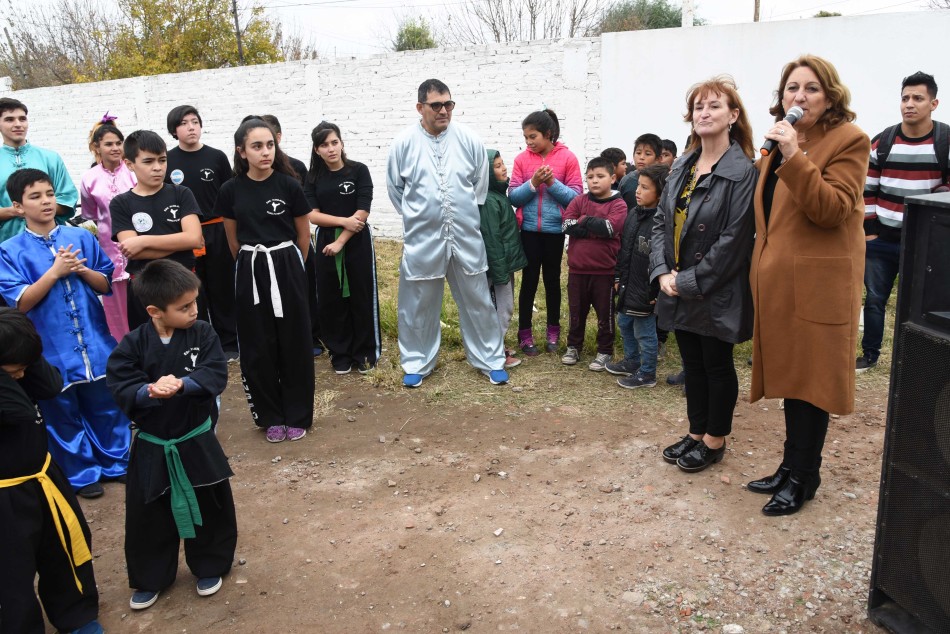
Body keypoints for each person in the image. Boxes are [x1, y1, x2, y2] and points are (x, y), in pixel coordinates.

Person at [748, 55, 870, 516]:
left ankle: (805, 475)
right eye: (792, 88)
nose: (799, 97)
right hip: (781, 281)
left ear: (831, 95)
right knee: (793, 375)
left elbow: (832, 209)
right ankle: (789, 466)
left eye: (811, 88)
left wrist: (796, 156)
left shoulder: (850, 140)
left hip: (819, 283)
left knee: (812, 380)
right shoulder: (780, 142)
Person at [106, 259, 236, 610]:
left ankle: (211, 563)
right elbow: (119, 381)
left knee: (210, 503)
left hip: (195, 437)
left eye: (195, 302)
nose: (194, 310)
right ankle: (151, 577)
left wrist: (183, 384)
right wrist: (147, 391)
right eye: (184, 307)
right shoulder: (133, 344)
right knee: (148, 514)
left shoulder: (203, 333)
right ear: (154, 311)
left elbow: (214, 371)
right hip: (153, 444)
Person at [0, 168, 131, 499]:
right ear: (18, 205)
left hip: (95, 340)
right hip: (50, 348)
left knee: (106, 405)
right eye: (35, 197)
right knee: (61, 413)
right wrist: (55, 272)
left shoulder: (82, 237)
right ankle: (80, 472)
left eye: (49, 194)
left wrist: (82, 269)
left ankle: (118, 462)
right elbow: (20, 302)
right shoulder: (9, 251)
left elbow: (105, 283)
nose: (45, 202)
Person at [651, 75, 757, 474]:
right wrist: (663, 273)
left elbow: (734, 240)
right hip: (675, 282)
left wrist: (688, 281)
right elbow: (661, 220)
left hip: (715, 288)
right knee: (691, 363)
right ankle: (696, 432)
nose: (705, 112)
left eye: (715, 105)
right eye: (699, 106)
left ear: (733, 115)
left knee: (715, 363)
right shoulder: (681, 165)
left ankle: (716, 438)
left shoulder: (742, 171)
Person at [387, 78, 509, 387]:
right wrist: (423, 216)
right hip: (423, 239)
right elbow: (396, 191)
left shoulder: (468, 139)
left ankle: (490, 359)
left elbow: (479, 188)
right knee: (417, 302)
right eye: (436, 105)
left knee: (478, 298)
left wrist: (456, 214)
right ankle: (417, 361)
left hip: (465, 235)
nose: (444, 111)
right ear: (420, 107)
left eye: (449, 104)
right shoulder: (403, 143)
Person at [0, 308, 102, 634]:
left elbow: (51, 386)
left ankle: (76, 613)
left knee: (64, 549)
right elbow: (20, 412)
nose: (21, 375)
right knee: (12, 571)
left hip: (43, 475)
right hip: (6, 495)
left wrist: (28, 354)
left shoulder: (22, 369)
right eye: (15, 370)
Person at [218, 118, 315, 443]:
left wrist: (290, 266)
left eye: (270, 144)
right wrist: (252, 266)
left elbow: (304, 235)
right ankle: (270, 415)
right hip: (251, 268)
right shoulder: (230, 190)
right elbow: (233, 241)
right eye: (257, 146)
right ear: (241, 151)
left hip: (287, 265)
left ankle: (298, 414)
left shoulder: (289, 185)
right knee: (258, 346)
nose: (265, 152)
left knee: (294, 342)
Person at [859, 71, 949, 373]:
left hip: (924, 242)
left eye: (918, 98)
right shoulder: (882, 141)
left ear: (933, 103)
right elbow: (867, 189)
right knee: (874, 300)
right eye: (905, 98)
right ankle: (869, 356)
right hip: (881, 240)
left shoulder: (945, 141)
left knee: (921, 309)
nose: (909, 104)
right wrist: (869, 232)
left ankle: (914, 362)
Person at [304, 121, 381, 374]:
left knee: (361, 294)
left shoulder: (358, 171)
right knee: (331, 298)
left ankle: (366, 353)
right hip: (326, 240)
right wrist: (340, 223)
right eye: (324, 145)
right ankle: (340, 353)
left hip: (356, 240)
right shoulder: (313, 178)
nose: (331, 149)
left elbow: (362, 211)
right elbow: (312, 216)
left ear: (342, 143)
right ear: (317, 150)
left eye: (334, 142)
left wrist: (341, 240)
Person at [110, 130, 203, 330]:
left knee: (189, 347)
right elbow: (132, 250)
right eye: (148, 161)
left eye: (162, 160)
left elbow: (195, 238)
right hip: (145, 289)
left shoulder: (181, 194)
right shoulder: (121, 203)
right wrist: (179, 241)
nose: (157, 168)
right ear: (129, 164)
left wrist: (143, 241)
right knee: (150, 350)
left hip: (184, 284)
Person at [165, 105, 239, 360]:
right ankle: (202, 342)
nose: (191, 127)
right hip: (185, 235)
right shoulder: (167, 160)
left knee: (223, 287)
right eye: (184, 123)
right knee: (194, 290)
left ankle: (230, 343)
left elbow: (230, 196)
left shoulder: (217, 157)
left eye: (195, 121)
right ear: (174, 130)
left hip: (217, 229)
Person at [509, 109, 582, 356]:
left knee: (552, 282)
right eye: (526, 137)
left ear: (548, 134)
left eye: (533, 137)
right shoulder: (522, 160)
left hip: (554, 232)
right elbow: (513, 196)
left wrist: (551, 183)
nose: (529, 142)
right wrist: (533, 184)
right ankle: (525, 334)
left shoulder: (568, 158)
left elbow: (575, 198)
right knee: (528, 283)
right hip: (528, 231)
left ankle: (553, 330)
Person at [560, 157, 627, 370]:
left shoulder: (619, 204)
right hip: (577, 270)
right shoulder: (579, 200)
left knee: (605, 315)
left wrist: (583, 221)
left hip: (604, 272)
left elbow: (610, 228)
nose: (594, 181)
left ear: (613, 178)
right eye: (590, 177)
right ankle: (573, 346)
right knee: (576, 312)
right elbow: (566, 224)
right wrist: (591, 226)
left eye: (600, 176)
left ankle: (605, 351)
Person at [607, 163, 670, 388]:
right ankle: (631, 361)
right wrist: (617, 277)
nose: (637, 191)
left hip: (646, 289)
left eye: (645, 188)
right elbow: (623, 249)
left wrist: (655, 291)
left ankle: (647, 373)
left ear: (661, 193)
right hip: (627, 284)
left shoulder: (662, 223)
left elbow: (665, 260)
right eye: (638, 186)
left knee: (645, 332)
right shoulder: (633, 213)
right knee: (624, 323)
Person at [80, 114, 136, 341]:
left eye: (118, 143)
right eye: (108, 144)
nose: (115, 148)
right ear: (97, 147)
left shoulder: (133, 170)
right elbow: (92, 214)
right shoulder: (89, 178)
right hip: (108, 249)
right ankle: (123, 349)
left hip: (138, 244)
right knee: (115, 304)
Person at [0, 97, 78, 243]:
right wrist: (15, 211)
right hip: (6, 243)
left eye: (22, 119)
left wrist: (35, 208)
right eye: (9, 119)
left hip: (53, 240)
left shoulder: (50, 158)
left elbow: (68, 200)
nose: (18, 124)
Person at [478, 149, 528, 369]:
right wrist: (499, 274)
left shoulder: (498, 196)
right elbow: (492, 240)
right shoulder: (489, 201)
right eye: (497, 166)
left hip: (504, 266)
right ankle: (494, 353)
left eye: (502, 163)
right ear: (486, 173)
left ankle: (495, 346)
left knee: (502, 308)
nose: (504, 168)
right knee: (501, 309)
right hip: (497, 269)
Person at [618, 133, 662, 209]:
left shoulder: (662, 181)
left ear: (658, 159)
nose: (641, 157)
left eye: (647, 154)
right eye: (638, 153)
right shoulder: (626, 180)